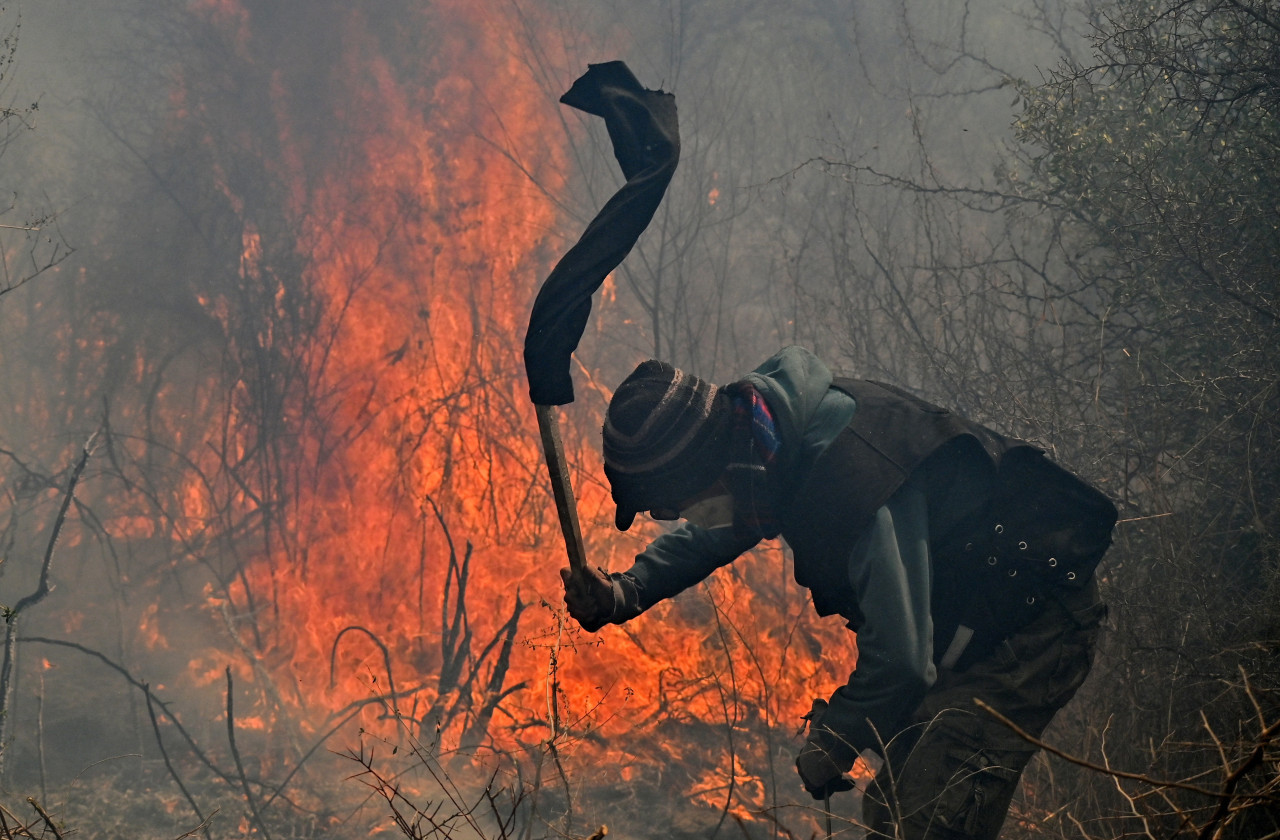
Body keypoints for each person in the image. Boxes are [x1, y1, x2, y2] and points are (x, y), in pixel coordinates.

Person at [560, 345, 1115, 840]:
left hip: (1032, 622)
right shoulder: (768, 436)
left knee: (927, 818)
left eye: (668, 503)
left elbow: (900, 664)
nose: (672, 516)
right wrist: (624, 591)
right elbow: (720, 526)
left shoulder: (850, 481)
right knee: (898, 806)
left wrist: (834, 740)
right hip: (960, 617)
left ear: (707, 467)